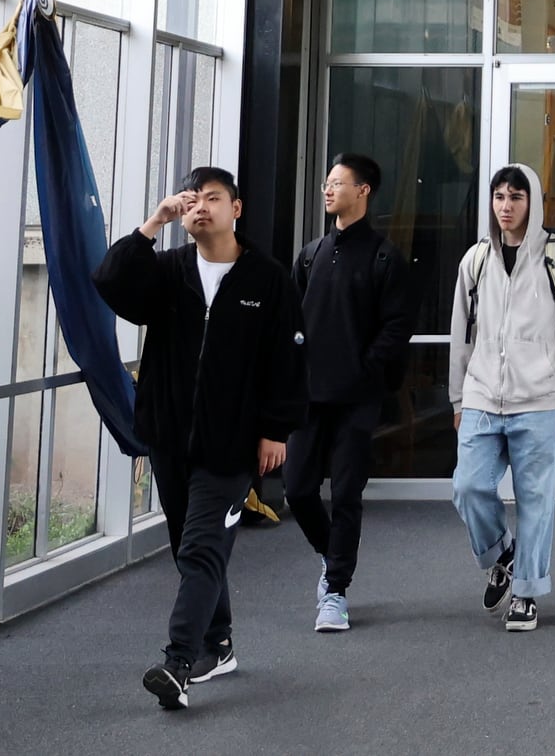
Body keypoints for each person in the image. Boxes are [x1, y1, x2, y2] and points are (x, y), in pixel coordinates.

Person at [96, 166, 303, 710]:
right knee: (190, 546)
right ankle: (220, 644)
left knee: (201, 545)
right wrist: (153, 222)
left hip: (232, 443)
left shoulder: (268, 279)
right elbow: (111, 282)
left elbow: (284, 359)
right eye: (191, 202)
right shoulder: (167, 273)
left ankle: (178, 663)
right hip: (169, 436)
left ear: (237, 208)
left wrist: (274, 430)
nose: (199, 208)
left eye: (213, 199)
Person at [447, 164, 555, 633]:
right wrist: (457, 399)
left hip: (541, 399)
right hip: (482, 396)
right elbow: (460, 336)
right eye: (499, 197)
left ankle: (528, 591)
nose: (506, 206)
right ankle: (502, 554)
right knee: (468, 486)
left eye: (516, 197)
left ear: (533, 202)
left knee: (536, 500)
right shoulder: (475, 261)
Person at [289, 152, 409, 632]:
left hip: (357, 399)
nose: (327, 190)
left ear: (363, 190)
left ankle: (335, 591)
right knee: (297, 490)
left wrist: (366, 370)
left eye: (337, 183)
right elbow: (292, 322)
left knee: (346, 496)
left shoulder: (384, 257)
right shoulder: (311, 253)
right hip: (308, 398)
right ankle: (330, 555)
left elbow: (396, 327)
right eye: (326, 182)